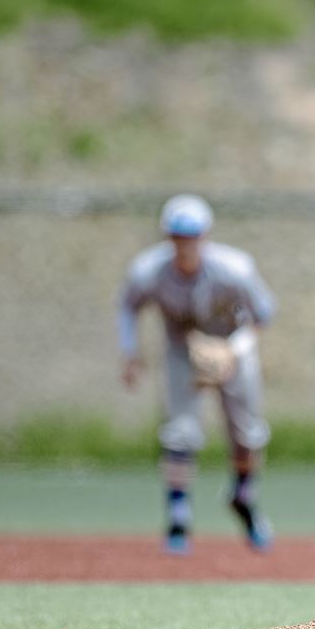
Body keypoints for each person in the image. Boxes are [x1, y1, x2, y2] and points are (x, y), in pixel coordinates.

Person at [118, 194, 277, 554]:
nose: (184, 244)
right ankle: (178, 518)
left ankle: (244, 497)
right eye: (177, 236)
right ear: (167, 237)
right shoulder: (149, 271)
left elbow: (264, 313)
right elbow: (127, 306)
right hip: (182, 349)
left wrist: (231, 351)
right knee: (181, 432)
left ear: (205, 236)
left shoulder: (233, 268)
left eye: (191, 236)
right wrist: (130, 353)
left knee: (248, 433)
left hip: (230, 346)